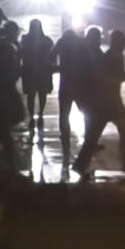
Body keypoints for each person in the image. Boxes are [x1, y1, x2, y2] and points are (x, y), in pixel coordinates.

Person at [72, 31, 125, 177]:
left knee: (96, 135)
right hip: (110, 101)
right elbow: (117, 77)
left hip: (104, 101)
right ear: (118, 42)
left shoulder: (111, 56)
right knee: (123, 129)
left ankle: (80, 164)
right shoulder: (114, 57)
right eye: (123, 41)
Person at [0, 22, 26, 171]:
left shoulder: (0, 51)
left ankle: (2, 169)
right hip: (0, 101)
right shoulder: (7, 51)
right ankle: (7, 169)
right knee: (3, 138)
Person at [50, 30, 82, 159]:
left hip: (65, 82)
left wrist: (56, 66)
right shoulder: (79, 43)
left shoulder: (61, 42)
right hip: (79, 82)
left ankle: (65, 135)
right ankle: (91, 137)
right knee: (86, 111)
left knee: (64, 113)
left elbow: (51, 55)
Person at [20, 19, 54, 134]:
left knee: (31, 94)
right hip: (43, 70)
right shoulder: (47, 40)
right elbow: (52, 55)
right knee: (42, 93)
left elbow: (21, 53)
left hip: (29, 70)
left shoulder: (25, 39)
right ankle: (40, 114)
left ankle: (32, 117)